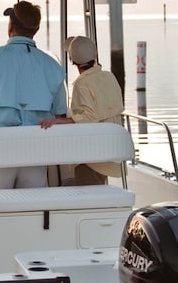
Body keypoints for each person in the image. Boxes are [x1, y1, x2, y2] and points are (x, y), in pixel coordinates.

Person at [0, 0, 68, 189]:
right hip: (35, 153)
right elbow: (59, 116)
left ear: (10, 25)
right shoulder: (54, 67)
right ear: (36, 28)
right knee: (33, 211)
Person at [39, 35, 125, 185]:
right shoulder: (109, 76)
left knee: (86, 191)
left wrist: (58, 120)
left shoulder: (82, 83)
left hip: (92, 154)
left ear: (72, 61)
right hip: (111, 148)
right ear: (94, 56)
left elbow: (89, 117)